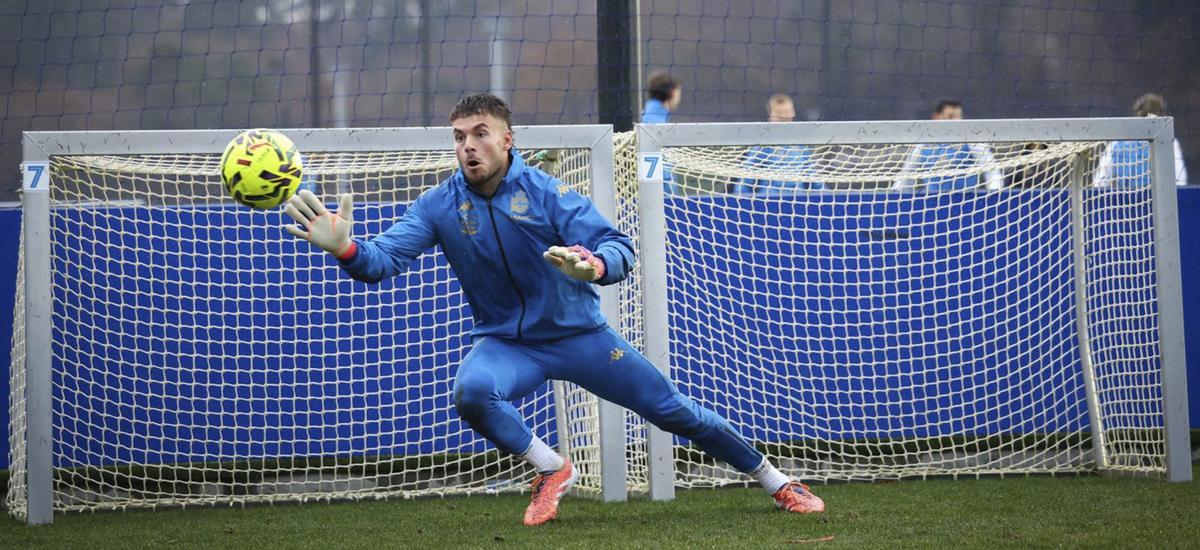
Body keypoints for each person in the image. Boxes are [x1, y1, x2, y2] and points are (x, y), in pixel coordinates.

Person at [282, 93, 824, 526]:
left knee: (672, 410)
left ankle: (777, 481)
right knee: (472, 391)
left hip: (579, 337)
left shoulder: (546, 192)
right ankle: (551, 468)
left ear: (507, 139)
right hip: (507, 344)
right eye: (459, 137)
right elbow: (380, 261)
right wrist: (346, 248)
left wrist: (595, 266)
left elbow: (617, 245)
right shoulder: (439, 204)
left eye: (480, 134)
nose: (468, 146)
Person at [892, 100, 1003, 191]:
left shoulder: (972, 142)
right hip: (931, 204)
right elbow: (906, 178)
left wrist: (993, 196)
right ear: (936, 117)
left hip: (966, 204)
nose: (956, 121)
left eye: (959, 117)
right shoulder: (924, 145)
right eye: (950, 116)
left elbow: (992, 173)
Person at [730, 94, 824, 194]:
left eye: (786, 112)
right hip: (769, 200)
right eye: (779, 113)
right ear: (770, 115)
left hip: (797, 199)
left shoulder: (801, 146)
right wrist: (739, 199)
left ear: (793, 113)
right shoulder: (762, 146)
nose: (783, 117)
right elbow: (745, 181)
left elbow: (814, 181)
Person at [1094, 93, 1189, 188]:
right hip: (1158, 197)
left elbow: (1100, 182)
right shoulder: (1170, 142)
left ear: (1137, 115)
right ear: (1161, 116)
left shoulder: (1117, 143)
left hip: (1126, 196)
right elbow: (1180, 180)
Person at [641, 70, 682, 193]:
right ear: (673, 92)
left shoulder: (646, 116)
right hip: (660, 197)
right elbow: (664, 171)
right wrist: (672, 197)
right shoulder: (658, 125)